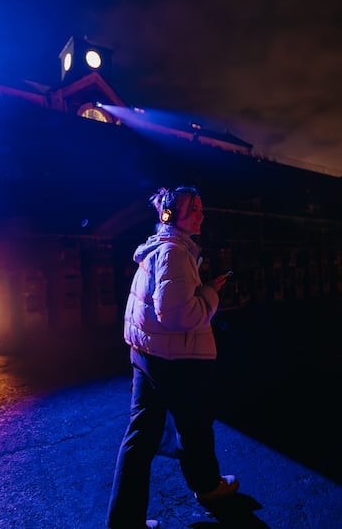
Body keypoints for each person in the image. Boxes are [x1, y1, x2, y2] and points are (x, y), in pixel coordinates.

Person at [106, 186, 238, 529]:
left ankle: (125, 521)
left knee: (142, 437)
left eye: (201, 207)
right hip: (175, 360)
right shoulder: (175, 253)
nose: (201, 214)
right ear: (169, 215)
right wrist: (211, 293)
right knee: (194, 427)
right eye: (192, 209)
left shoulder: (160, 249)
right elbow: (179, 315)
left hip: (149, 354)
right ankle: (208, 488)